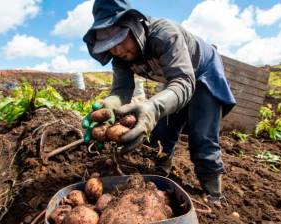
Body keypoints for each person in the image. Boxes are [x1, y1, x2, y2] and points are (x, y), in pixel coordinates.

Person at [82, 0, 236, 206]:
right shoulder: (120, 58)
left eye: (120, 40)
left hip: (201, 74)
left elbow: (184, 81)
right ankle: (161, 171)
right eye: (110, 46)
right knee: (161, 132)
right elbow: (121, 90)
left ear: (134, 26)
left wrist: (154, 107)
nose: (117, 50)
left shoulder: (164, 34)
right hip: (174, 81)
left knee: (202, 137)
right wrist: (109, 104)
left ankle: (214, 196)